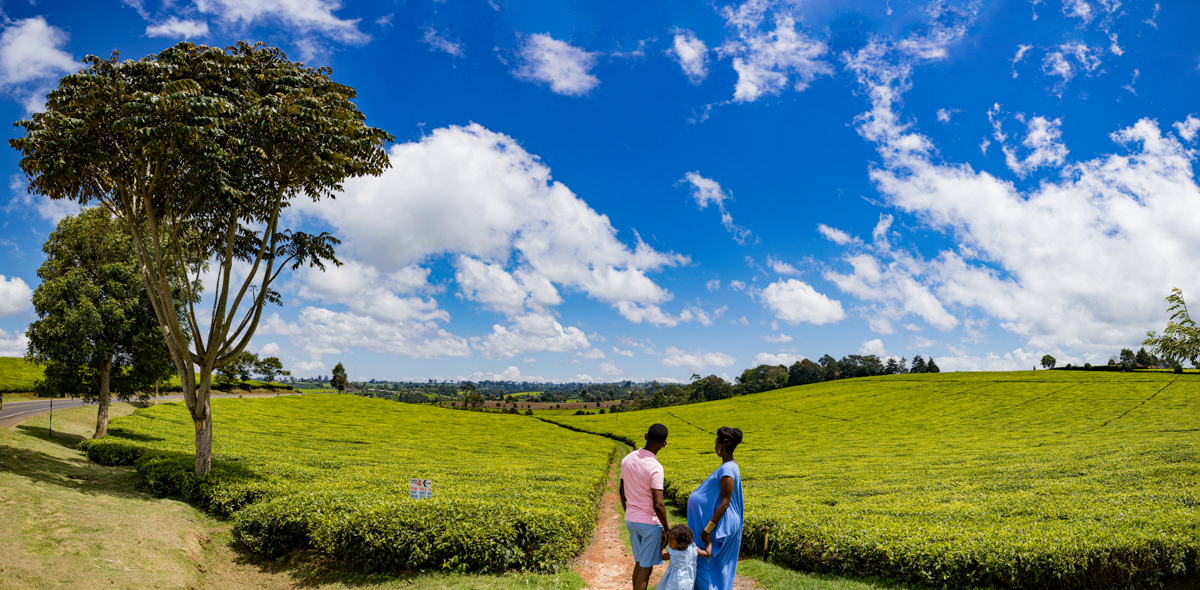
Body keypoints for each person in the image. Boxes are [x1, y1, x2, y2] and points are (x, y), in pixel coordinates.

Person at [687, 426, 744, 590]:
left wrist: (707, 529)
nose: (714, 444)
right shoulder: (729, 466)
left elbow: (725, 502)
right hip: (714, 522)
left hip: (717, 524)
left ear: (722, 445)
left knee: (705, 565)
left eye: (716, 441)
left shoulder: (727, 469)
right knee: (711, 566)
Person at [620, 423, 671, 590]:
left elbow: (621, 490)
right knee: (645, 569)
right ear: (664, 444)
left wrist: (628, 512)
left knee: (639, 563)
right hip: (649, 524)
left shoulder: (627, 458)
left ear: (646, 436)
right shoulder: (655, 467)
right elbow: (658, 504)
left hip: (632, 520)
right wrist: (667, 529)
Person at [657, 523, 712, 590]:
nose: (669, 543)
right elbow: (707, 553)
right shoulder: (693, 548)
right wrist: (709, 542)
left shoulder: (673, 552)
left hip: (675, 579)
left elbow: (663, 556)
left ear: (681, 544)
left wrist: (663, 546)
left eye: (671, 542)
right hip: (689, 579)